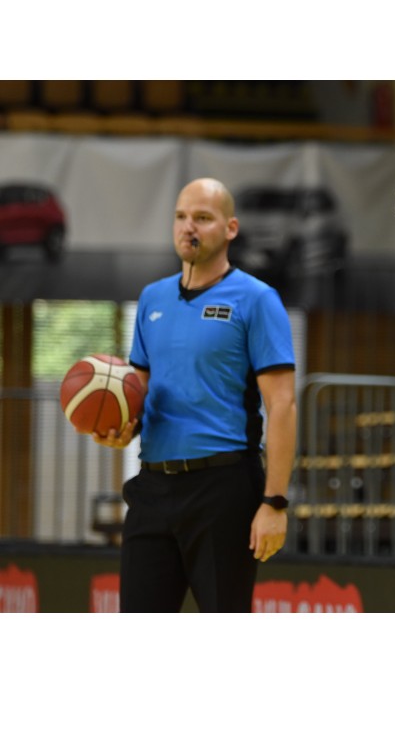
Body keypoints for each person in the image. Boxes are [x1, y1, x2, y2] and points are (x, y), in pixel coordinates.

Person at [93, 177, 297, 613]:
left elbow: (282, 404)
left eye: (203, 218)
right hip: (153, 486)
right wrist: (122, 429)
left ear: (231, 228)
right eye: (181, 217)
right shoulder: (152, 299)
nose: (189, 226)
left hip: (223, 487)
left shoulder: (257, 299)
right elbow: (139, 393)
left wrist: (275, 502)